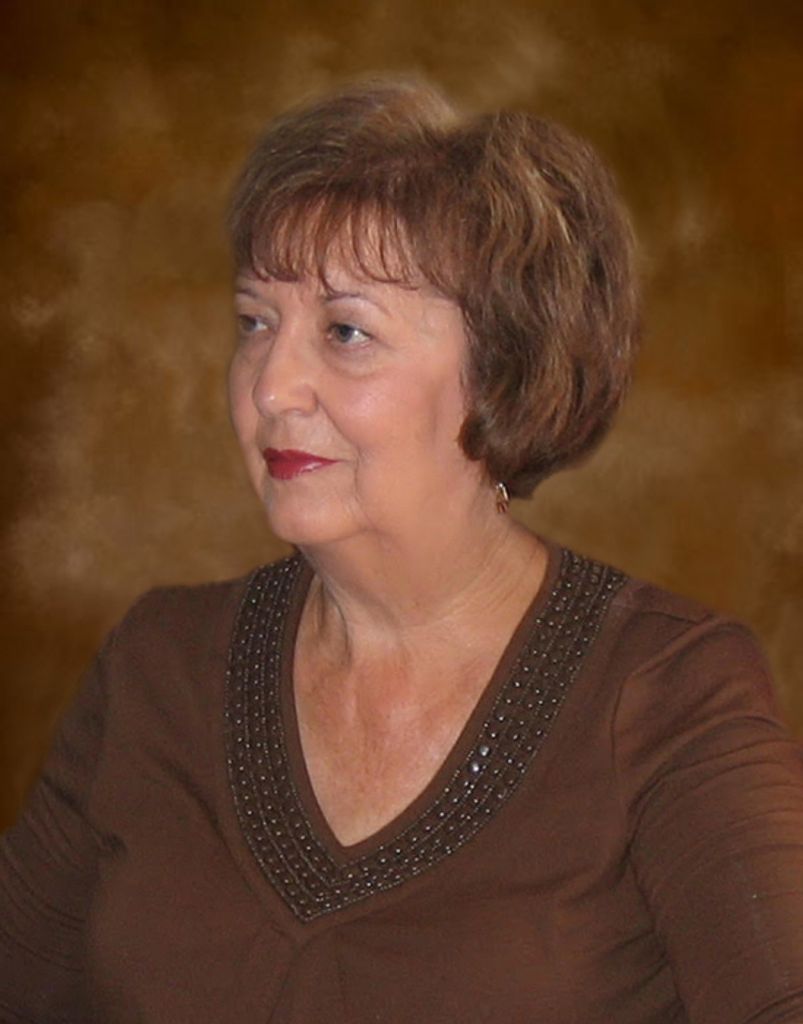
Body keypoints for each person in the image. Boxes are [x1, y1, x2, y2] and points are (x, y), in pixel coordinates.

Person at [2, 77, 803, 1024]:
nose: (270, 387)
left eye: (345, 331)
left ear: (503, 371)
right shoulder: (160, 663)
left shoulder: (666, 692)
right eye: (256, 322)